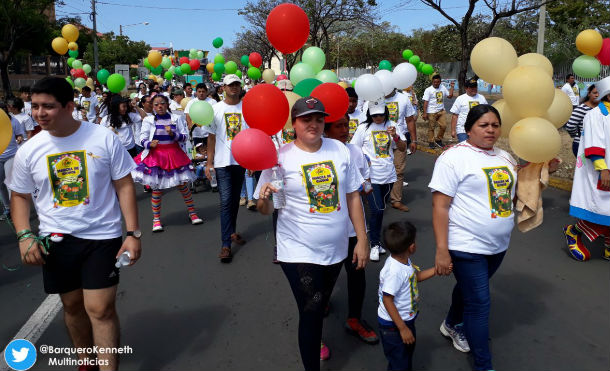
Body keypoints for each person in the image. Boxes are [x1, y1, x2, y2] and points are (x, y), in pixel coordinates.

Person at [6, 77, 141, 370]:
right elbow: (19, 196)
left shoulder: (103, 137)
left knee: (100, 309)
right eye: (36, 106)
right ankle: (86, 362)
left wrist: (132, 233)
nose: (39, 113)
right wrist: (24, 235)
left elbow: (124, 185)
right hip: (55, 240)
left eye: (48, 107)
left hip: (101, 236)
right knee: (72, 306)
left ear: (69, 107)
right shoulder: (30, 150)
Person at [255, 96, 369, 371]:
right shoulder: (280, 157)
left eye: (319, 119)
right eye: (307, 119)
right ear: (294, 123)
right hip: (297, 249)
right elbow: (266, 209)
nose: (314, 124)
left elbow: (353, 195)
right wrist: (264, 197)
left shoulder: (339, 150)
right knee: (312, 310)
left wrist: (363, 240)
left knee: (318, 307)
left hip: (336, 248)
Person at [430, 104, 517, 371]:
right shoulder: (453, 158)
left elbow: (512, 190)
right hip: (466, 244)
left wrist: (541, 168)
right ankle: (483, 364)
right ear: (469, 129)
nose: (490, 130)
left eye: (495, 125)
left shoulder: (505, 157)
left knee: (468, 290)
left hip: (498, 245)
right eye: (483, 125)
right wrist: (442, 250)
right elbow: (440, 206)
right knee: (479, 303)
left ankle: (450, 323)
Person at [324, 113, 379, 345]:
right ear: (327, 130)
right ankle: (318, 315)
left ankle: (354, 319)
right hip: (328, 231)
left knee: (357, 275)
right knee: (326, 276)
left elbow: (366, 184)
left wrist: (363, 186)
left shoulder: (355, 152)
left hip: (353, 229)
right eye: (339, 126)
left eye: (347, 125)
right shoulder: (320, 153)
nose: (345, 130)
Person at [131, 94, 204, 232]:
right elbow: (142, 137)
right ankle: (156, 219)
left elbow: (185, 136)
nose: (160, 106)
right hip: (156, 157)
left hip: (175, 155)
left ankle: (192, 213)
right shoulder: (148, 120)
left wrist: (173, 135)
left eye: (162, 103)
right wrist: (149, 144)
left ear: (167, 105)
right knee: (157, 189)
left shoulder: (176, 118)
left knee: (183, 186)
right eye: (156, 104)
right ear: (152, 107)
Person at [378, 221, 442, 371]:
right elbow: (387, 300)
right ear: (411, 247)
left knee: (403, 357)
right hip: (394, 326)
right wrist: (402, 328)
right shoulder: (395, 271)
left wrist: (435, 270)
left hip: (405, 320)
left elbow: (415, 277)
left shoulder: (403, 262)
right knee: (400, 362)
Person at [350, 100, 406, 262]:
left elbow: (402, 147)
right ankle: (374, 243)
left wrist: (395, 136)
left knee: (380, 208)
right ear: (369, 115)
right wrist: (362, 165)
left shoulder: (392, 125)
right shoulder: (363, 128)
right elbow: (354, 149)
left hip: (388, 175)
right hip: (370, 176)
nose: (378, 118)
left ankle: (374, 235)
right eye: (374, 115)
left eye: (381, 114)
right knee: (377, 210)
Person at [564, 76, 610, 261]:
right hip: (601, 170)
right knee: (602, 210)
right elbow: (594, 145)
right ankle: (573, 231)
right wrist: (603, 170)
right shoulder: (595, 115)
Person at [205, 74, 249, 262]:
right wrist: (209, 162)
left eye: (237, 84)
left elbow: (252, 136)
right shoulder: (215, 109)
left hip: (241, 162)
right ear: (223, 88)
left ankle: (231, 232)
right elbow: (211, 138)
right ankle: (225, 244)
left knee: (233, 201)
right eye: (231, 85)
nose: (234, 87)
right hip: (223, 163)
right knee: (225, 202)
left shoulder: (248, 108)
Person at [384, 89, 416, 212]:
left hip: (399, 139)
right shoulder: (374, 98)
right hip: (379, 141)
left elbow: (410, 120)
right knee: (380, 168)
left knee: (399, 170)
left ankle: (396, 200)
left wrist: (414, 140)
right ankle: (378, 196)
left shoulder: (403, 99)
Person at [0, 102, 24, 219]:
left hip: (11, 155)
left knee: (10, 183)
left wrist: (19, 138)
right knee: (0, 184)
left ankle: (15, 209)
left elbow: (20, 135)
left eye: (4, 109)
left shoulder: (14, 121)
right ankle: (7, 208)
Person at [450, 77, 488, 143]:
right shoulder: (460, 99)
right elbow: (455, 115)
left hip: (478, 130)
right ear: (466, 88)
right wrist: (453, 130)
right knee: (465, 149)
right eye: (471, 87)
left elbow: (487, 113)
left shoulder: (481, 98)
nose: (474, 89)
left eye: (475, 87)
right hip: (463, 130)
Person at [565, 84, 598, 157]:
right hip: (582, 145)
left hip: (597, 145)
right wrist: (577, 136)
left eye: (599, 93)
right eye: (595, 93)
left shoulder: (602, 108)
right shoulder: (581, 109)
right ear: (589, 94)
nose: (597, 95)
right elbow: (570, 126)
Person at [422, 75, 454, 148]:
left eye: (438, 82)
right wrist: (424, 113)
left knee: (444, 126)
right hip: (431, 111)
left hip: (441, 111)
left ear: (440, 82)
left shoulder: (443, 87)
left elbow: (450, 96)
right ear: (432, 82)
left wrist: (452, 87)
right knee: (431, 128)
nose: (436, 83)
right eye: (434, 82)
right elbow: (425, 102)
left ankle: (438, 139)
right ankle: (431, 141)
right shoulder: (428, 90)